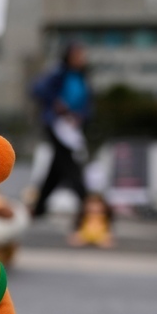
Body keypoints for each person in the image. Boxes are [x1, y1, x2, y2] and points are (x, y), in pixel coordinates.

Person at [29, 42, 92, 218]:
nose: (81, 58)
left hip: (73, 127)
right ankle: (87, 203)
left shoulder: (82, 76)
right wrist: (56, 102)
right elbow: (37, 89)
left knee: (56, 168)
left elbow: (87, 103)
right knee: (69, 163)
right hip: (57, 125)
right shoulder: (58, 73)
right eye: (78, 55)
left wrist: (81, 116)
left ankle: (39, 207)